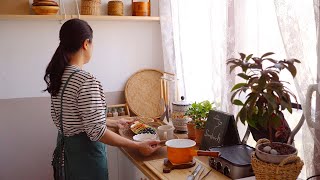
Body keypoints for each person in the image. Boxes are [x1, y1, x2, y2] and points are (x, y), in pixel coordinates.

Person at [43, 19, 161, 180]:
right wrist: (137, 145)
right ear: (86, 43)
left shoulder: (59, 76)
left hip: (66, 155)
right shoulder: (86, 81)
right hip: (86, 161)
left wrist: (112, 122)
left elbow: (74, 120)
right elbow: (97, 133)